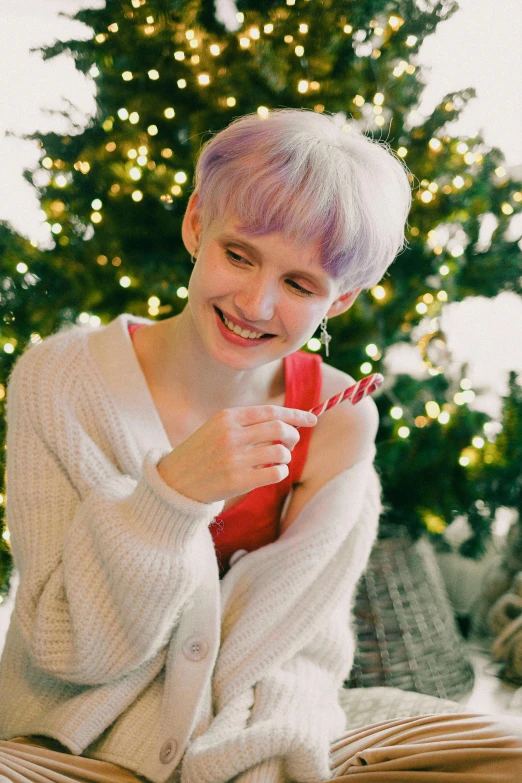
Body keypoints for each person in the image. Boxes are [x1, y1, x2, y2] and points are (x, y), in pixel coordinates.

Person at [0, 108, 521, 783]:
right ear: (196, 225)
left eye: (299, 284)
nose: (255, 301)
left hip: (249, 721)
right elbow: (66, 650)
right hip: (75, 739)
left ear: (340, 300)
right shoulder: (60, 378)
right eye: (237, 254)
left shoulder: (338, 420)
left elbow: (294, 653)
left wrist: (263, 762)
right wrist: (170, 495)